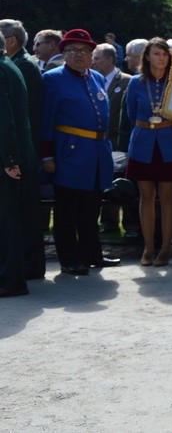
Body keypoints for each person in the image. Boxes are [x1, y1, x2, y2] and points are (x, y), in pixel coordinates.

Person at [40, 29, 119, 275]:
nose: (78, 55)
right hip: (69, 154)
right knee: (67, 210)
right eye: (72, 50)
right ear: (63, 53)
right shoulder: (53, 78)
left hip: (95, 153)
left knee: (91, 208)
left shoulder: (94, 76)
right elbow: (45, 120)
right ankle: (69, 259)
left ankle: (92, 254)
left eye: (84, 50)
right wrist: (47, 155)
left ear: (91, 53)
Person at [125, 37, 172, 266]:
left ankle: (166, 247)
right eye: (157, 54)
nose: (161, 58)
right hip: (143, 144)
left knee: (167, 197)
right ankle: (148, 248)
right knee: (146, 197)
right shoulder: (135, 83)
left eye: (165, 54)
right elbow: (131, 114)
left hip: (169, 143)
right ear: (147, 57)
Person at [0, 19, 45, 280]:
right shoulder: (12, 65)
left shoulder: (17, 66)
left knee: (12, 219)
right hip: (17, 153)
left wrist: (9, 157)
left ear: (12, 40)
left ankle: (14, 274)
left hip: (14, 154)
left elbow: (8, 119)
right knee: (18, 216)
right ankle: (23, 269)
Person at [92, 43, 134, 235]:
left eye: (97, 58)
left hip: (119, 142)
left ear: (109, 59)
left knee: (123, 184)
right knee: (104, 182)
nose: (93, 62)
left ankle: (131, 225)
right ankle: (109, 224)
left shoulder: (126, 81)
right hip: (100, 142)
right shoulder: (92, 79)